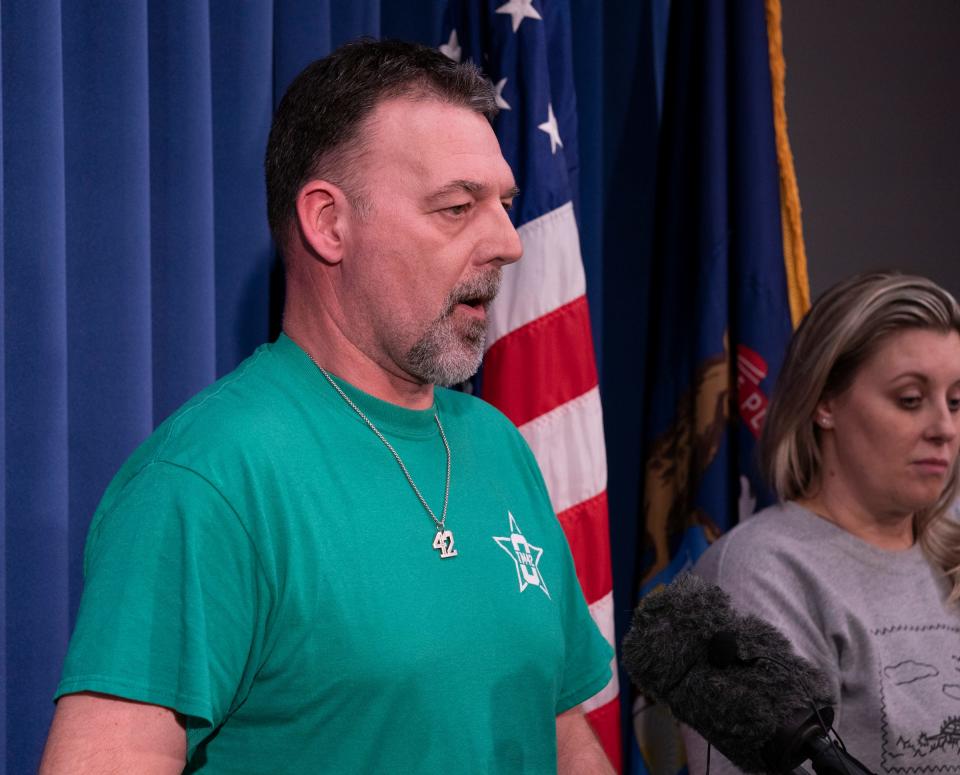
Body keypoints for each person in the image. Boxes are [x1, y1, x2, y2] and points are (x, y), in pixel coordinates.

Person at [39, 39, 614, 774]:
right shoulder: (208, 479)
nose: (507, 242)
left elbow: (561, 732)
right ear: (328, 222)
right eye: (457, 206)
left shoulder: (501, 445)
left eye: (503, 203)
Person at [682, 272, 960, 773]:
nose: (944, 428)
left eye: (956, 402)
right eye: (911, 400)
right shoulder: (759, 575)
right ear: (825, 403)